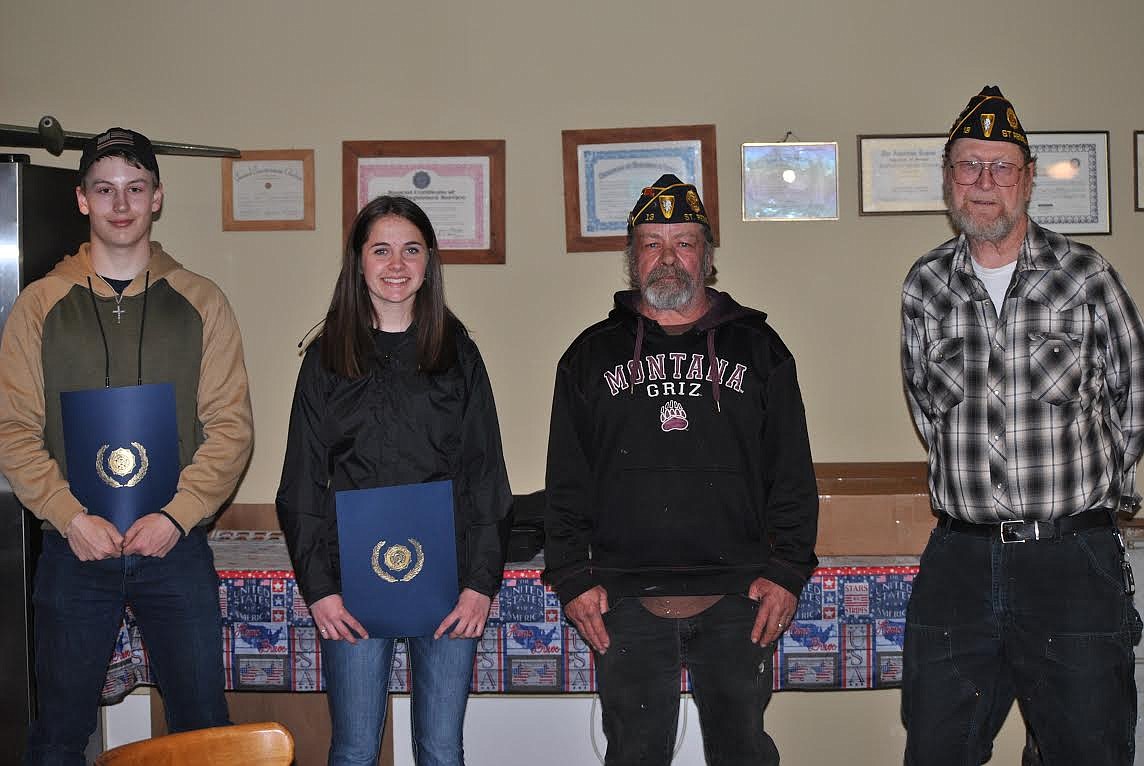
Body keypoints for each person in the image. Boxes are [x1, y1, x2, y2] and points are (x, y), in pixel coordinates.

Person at [901, 85, 1144, 765]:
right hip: (959, 559)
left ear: (1028, 180)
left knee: (1088, 750)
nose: (984, 183)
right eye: (967, 167)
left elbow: (1136, 395)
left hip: (1071, 562)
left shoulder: (1086, 276)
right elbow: (929, 411)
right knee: (936, 750)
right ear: (948, 180)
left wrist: (1089, 497)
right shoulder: (925, 287)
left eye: (1000, 167)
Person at [544, 174, 819, 765]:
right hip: (623, 600)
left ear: (708, 256)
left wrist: (789, 569)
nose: (668, 258)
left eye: (684, 242)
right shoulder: (589, 357)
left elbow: (791, 474)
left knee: (742, 753)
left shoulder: (760, 350)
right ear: (631, 257)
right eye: (651, 243)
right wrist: (572, 577)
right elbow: (567, 481)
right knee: (634, 756)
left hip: (739, 596)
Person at [0, 127, 254, 764]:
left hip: (175, 549)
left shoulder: (203, 302)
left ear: (157, 198)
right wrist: (68, 517)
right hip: (73, 551)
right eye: (105, 189)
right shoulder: (38, 305)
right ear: (82, 200)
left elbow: (230, 428)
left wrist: (176, 516)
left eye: (135, 189)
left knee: (203, 731)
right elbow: (13, 428)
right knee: (56, 733)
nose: (121, 204)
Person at [276, 195, 511, 766]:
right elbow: (301, 484)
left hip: (450, 585)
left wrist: (480, 583)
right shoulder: (326, 359)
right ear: (358, 262)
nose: (397, 265)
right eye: (381, 250)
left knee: (440, 748)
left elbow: (487, 476)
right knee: (355, 749)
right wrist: (321, 590)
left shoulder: (459, 355)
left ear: (429, 262)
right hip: (352, 589)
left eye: (411, 250)